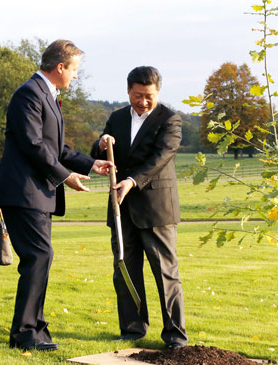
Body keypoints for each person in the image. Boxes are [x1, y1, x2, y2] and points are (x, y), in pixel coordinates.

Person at [0, 40, 112, 352]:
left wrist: (90, 163)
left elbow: (56, 148)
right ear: (60, 67)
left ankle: (36, 328)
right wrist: (66, 176)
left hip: (37, 194)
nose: (76, 77)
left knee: (41, 258)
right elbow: (33, 145)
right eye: (74, 70)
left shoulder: (46, 95)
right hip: (23, 193)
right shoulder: (29, 94)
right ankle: (23, 335)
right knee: (38, 257)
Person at [90, 66, 188, 349]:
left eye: (148, 96)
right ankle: (132, 329)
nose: (143, 102)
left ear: (157, 92)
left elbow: (161, 157)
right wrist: (101, 142)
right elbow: (99, 153)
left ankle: (175, 336)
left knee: (165, 272)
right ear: (128, 91)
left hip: (156, 209)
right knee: (125, 270)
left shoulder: (170, 120)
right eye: (137, 95)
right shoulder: (117, 117)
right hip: (121, 208)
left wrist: (132, 181)